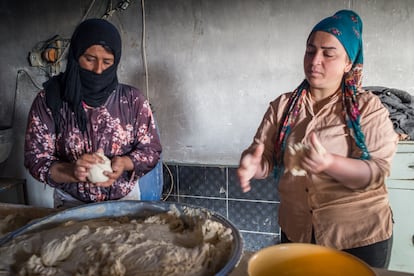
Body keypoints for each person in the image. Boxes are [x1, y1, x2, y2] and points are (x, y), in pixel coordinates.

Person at [237, 10, 398, 268]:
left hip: (357, 238)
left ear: (348, 62)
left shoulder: (367, 109)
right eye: (310, 50)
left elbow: (376, 172)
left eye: (328, 53)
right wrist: (252, 165)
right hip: (297, 232)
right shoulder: (283, 107)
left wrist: (330, 164)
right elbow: (265, 158)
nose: (315, 60)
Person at [24, 18, 162, 208]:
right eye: (90, 59)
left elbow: (151, 151)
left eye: (107, 62)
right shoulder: (50, 100)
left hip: (124, 203)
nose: (98, 70)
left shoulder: (132, 100)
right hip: (71, 203)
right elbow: (35, 160)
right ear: (75, 56)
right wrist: (72, 171)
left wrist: (124, 163)